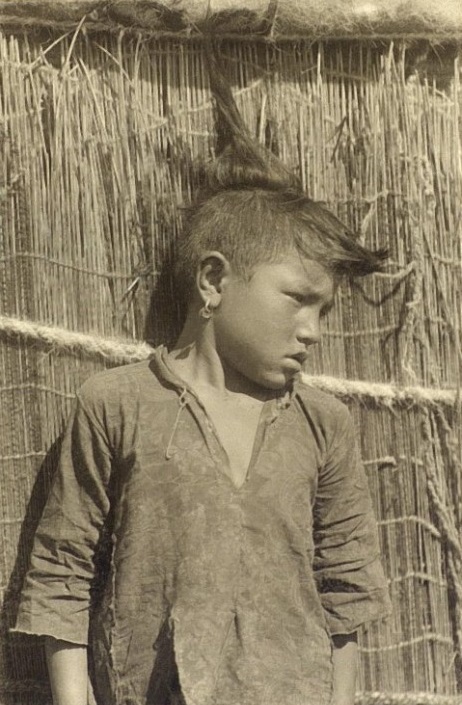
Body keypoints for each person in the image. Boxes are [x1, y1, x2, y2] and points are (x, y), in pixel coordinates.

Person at [12, 52, 391, 705]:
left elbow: (346, 598)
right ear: (214, 281)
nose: (313, 330)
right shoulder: (117, 404)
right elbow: (61, 578)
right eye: (298, 299)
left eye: (323, 311)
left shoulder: (324, 425)